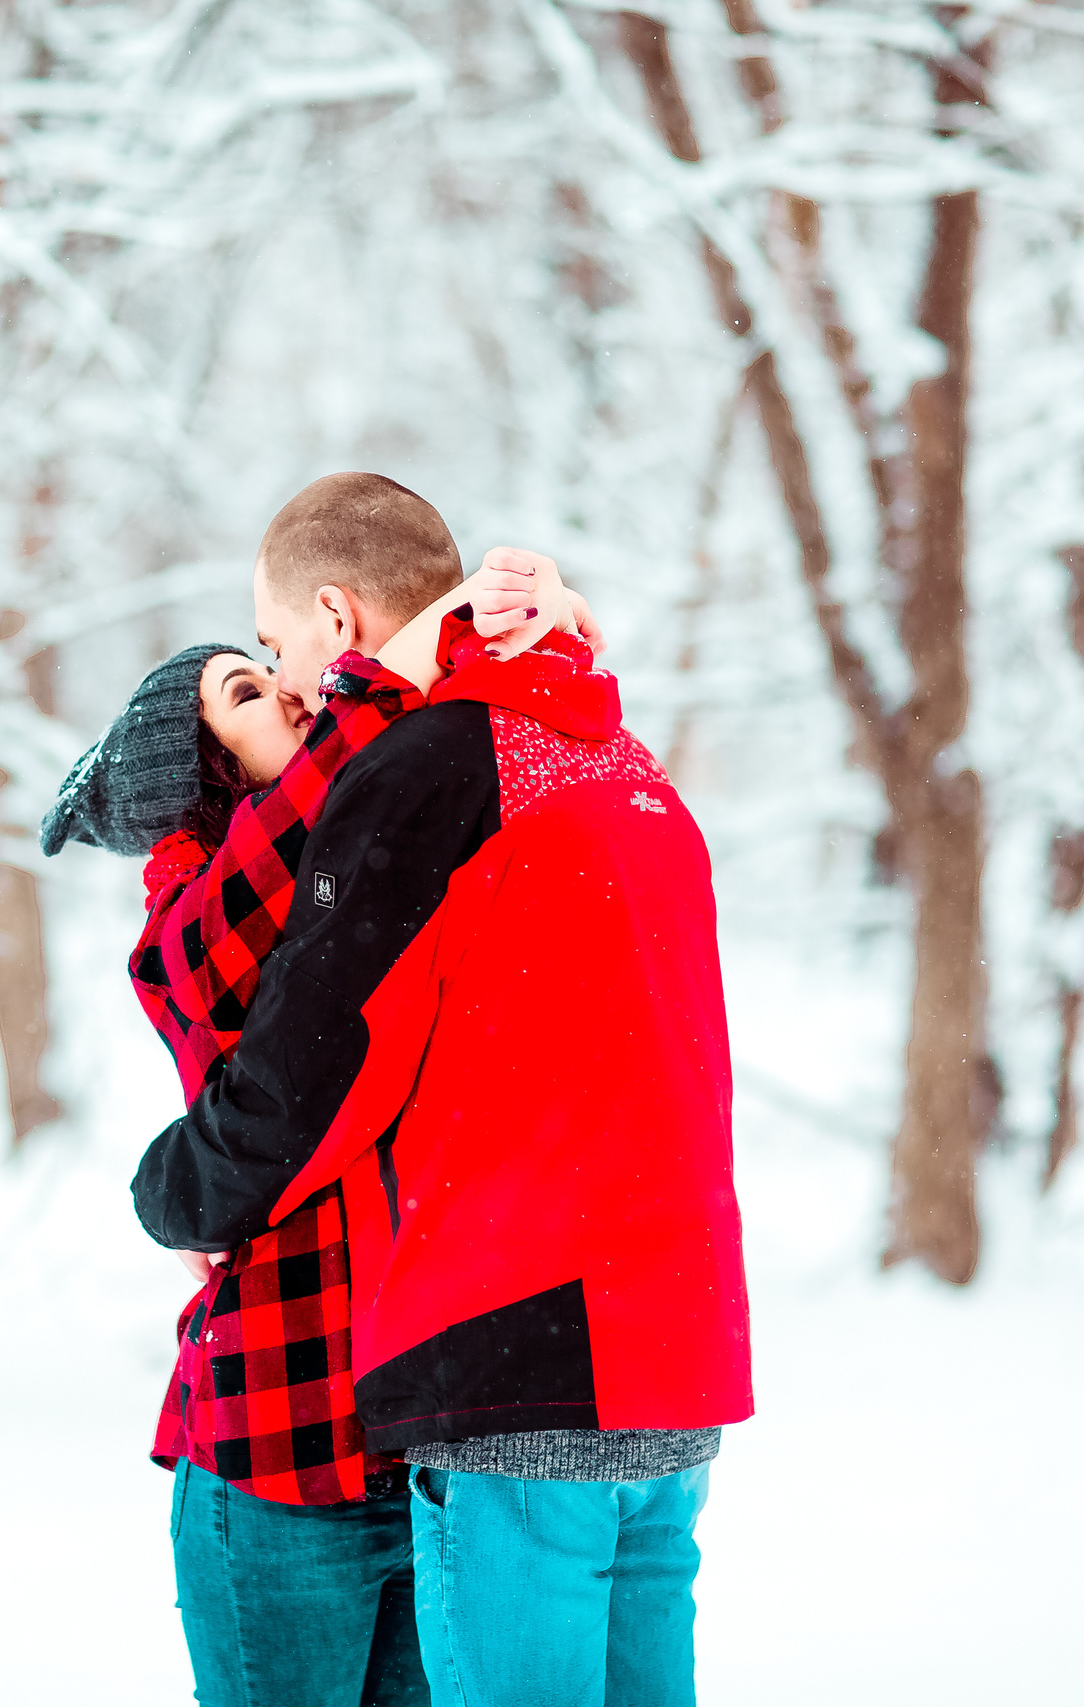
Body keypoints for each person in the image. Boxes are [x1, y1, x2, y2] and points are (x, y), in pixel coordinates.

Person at [132, 472, 753, 1707]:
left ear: (333, 616)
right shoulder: (617, 756)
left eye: (273, 644)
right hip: (673, 1343)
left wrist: (178, 1193)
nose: (289, 680)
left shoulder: (429, 768)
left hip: (514, 1347)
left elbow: (312, 1070)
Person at [41, 531, 591, 1707]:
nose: (287, 688)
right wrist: (412, 641)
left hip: (417, 1447)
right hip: (276, 1452)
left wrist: (542, 618)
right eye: (245, 693)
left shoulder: (346, 856)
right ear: (205, 778)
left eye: (269, 664)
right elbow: (346, 766)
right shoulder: (192, 921)